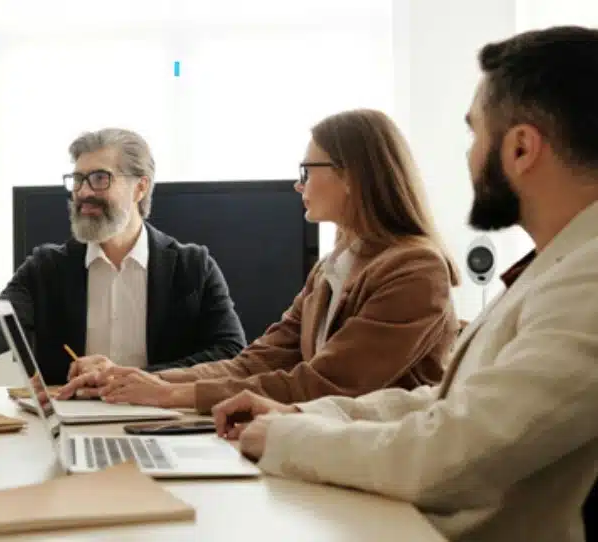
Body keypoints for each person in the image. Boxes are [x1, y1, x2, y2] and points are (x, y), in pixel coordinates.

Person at [210, 26, 598, 542]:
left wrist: (287, 436)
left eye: (474, 133)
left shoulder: (587, 279)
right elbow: (444, 402)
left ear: (522, 149)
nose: (468, 155)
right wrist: (303, 414)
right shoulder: (558, 265)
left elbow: (450, 452)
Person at [59, 109, 460, 412]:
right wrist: (144, 380)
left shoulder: (415, 270)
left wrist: (173, 394)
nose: (298, 183)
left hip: (379, 469)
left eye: (308, 169)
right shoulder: (331, 269)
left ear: (352, 176)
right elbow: (254, 362)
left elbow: (327, 383)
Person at [0, 128, 247, 385]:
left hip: (163, 420)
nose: (84, 192)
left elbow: (230, 354)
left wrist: (132, 378)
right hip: (70, 421)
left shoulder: (193, 267)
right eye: (77, 179)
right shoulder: (47, 267)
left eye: (100, 178)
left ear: (140, 187)